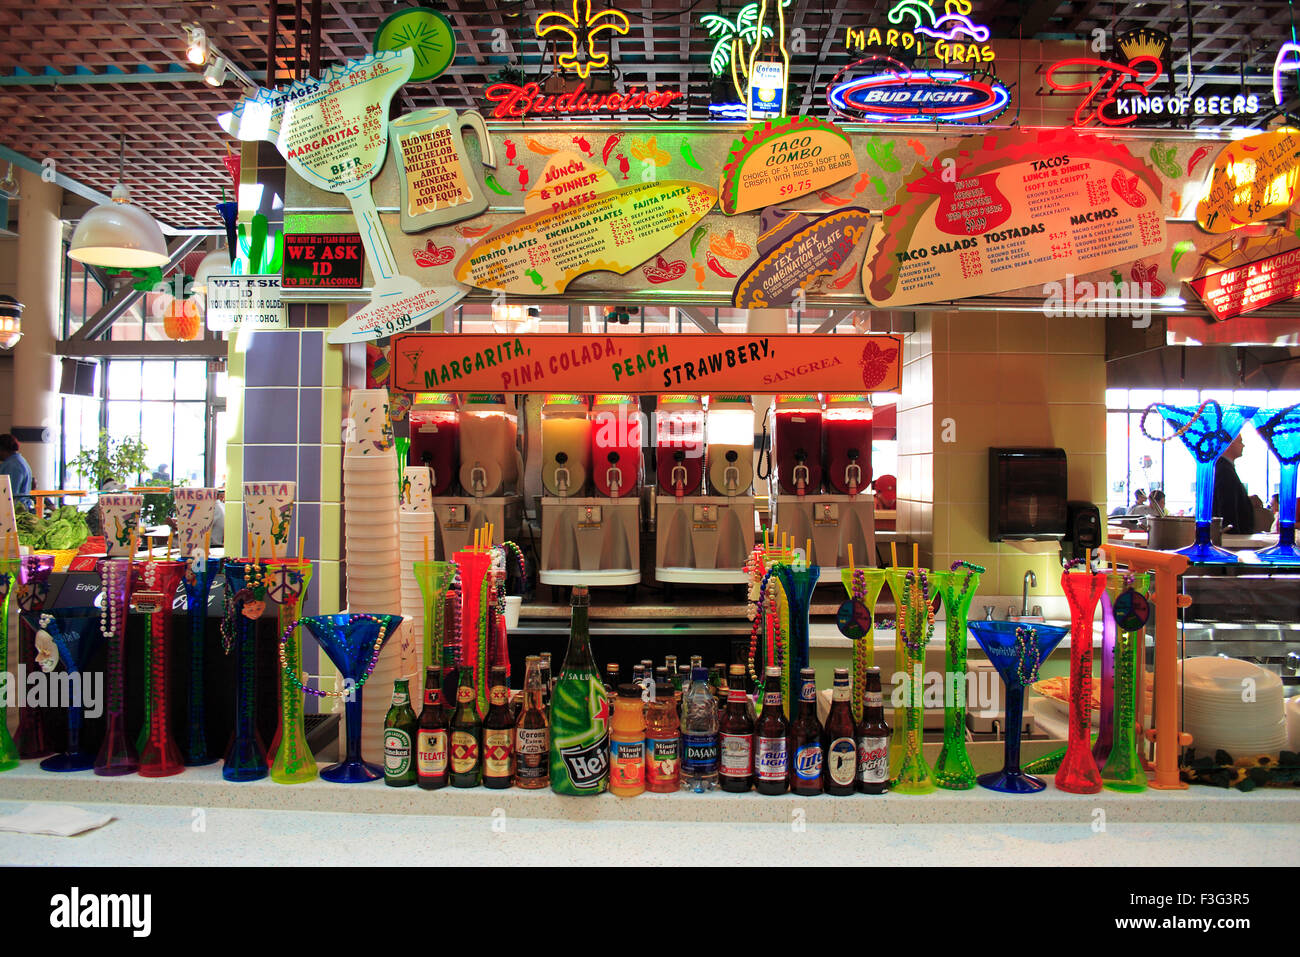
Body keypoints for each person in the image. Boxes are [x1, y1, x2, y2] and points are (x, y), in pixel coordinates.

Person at [1212, 434, 1254, 534]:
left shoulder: (1224, 468)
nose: (1243, 445)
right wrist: (1232, 535)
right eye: (1240, 441)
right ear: (1229, 444)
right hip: (1231, 539)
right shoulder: (1224, 470)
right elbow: (1227, 508)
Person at [0, 434, 34, 509]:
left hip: (13, 511)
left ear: (2, 448)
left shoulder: (12, 465)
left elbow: (8, 494)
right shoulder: (19, 461)